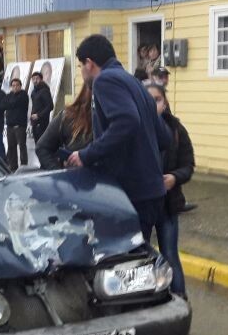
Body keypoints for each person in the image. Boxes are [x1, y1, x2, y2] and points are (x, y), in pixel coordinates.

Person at [67, 34, 171, 240]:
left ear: (89, 63)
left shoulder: (104, 80)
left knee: (124, 262)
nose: (81, 73)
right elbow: (164, 138)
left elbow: (127, 121)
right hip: (151, 191)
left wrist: (87, 155)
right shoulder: (135, 84)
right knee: (139, 260)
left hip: (130, 193)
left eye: (80, 66)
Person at [147, 83, 194, 298]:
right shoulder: (132, 128)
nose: (153, 104)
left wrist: (174, 178)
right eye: (148, 99)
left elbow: (188, 165)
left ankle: (179, 297)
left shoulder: (176, 130)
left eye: (157, 99)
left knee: (170, 253)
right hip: (142, 205)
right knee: (141, 254)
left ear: (164, 103)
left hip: (168, 204)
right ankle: (145, 299)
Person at [36, 84, 94, 170]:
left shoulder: (118, 120)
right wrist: (59, 173)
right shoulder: (70, 116)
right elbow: (42, 147)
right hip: (77, 180)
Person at [2, 78, 30, 170]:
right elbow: (4, 105)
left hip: (20, 125)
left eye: (17, 85)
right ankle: (13, 166)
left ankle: (24, 165)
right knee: (11, 147)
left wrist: (9, 104)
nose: (15, 87)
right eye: (13, 85)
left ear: (20, 86)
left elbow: (14, 103)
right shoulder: (8, 95)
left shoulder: (23, 95)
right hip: (10, 126)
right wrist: (8, 103)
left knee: (22, 146)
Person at [29, 71, 54, 142]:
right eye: (33, 79)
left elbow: (50, 106)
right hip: (34, 122)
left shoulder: (44, 90)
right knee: (36, 143)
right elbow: (35, 106)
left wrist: (38, 115)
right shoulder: (33, 92)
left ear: (41, 80)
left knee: (42, 143)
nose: (35, 81)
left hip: (42, 122)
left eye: (37, 79)